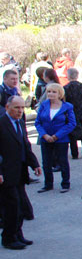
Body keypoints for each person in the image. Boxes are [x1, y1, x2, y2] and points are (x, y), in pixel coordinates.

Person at [0, 96, 40, 250]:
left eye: (22, 108)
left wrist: (34, 164)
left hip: (19, 171)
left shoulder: (20, 123)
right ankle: (9, 237)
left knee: (19, 206)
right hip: (7, 172)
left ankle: (18, 234)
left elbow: (25, 146)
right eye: (17, 108)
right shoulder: (2, 124)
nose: (20, 111)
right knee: (11, 206)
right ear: (8, 106)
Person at [34, 82, 76, 193]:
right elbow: (38, 122)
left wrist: (57, 136)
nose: (51, 94)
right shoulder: (44, 105)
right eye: (49, 92)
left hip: (61, 139)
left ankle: (65, 184)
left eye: (54, 92)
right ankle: (48, 184)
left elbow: (71, 124)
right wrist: (44, 135)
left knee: (62, 161)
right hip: (46, 138)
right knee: (46, 162)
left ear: (60, 94)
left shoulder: (67, 107)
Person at [64, 68, 82, 160]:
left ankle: (74, 153)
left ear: (68, 76)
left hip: (71, 113)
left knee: (72, 134)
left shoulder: (65, 88)